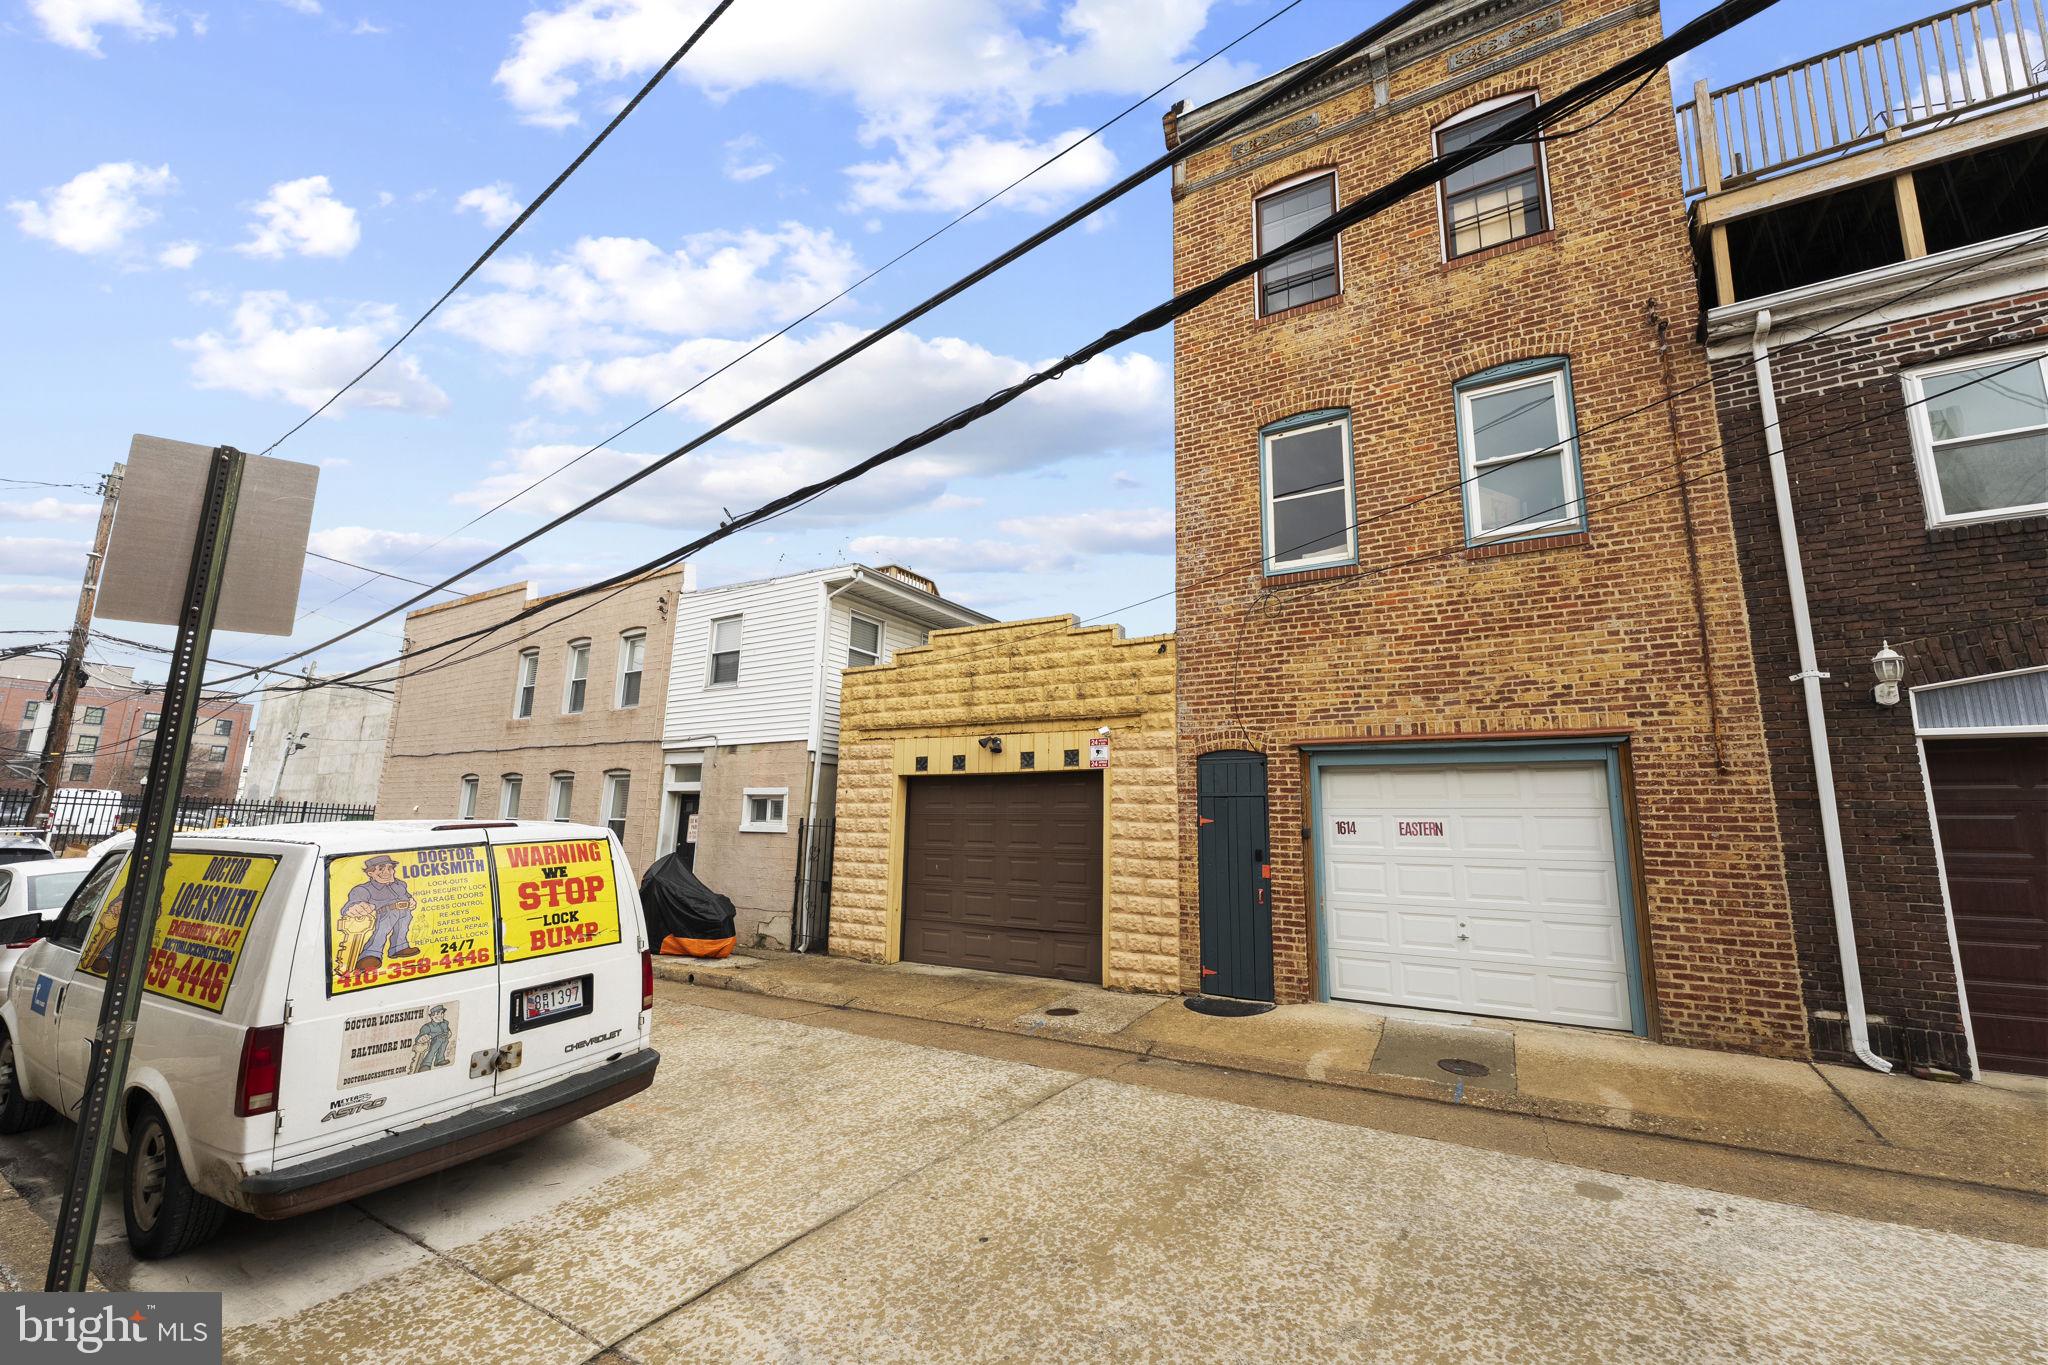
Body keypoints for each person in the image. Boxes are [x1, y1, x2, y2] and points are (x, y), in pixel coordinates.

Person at [341, 854, 419, 973]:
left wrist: (411, 901)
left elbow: (406, 895)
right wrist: (354, 908)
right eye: (381, 868)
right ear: (370, 873)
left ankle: (399, 947)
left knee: (402, 928)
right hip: (383, 915)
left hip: (404, 912)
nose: (386, 872)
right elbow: (351, 904)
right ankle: (370, 955)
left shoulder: (400, 884)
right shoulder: (363, 889)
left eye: (390, 868)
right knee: (381, 932)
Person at [409, 1004, 451, 1072]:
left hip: (444, 1040)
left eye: (442, 1013)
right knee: (435, 1046)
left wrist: (449, 1033)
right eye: (437, 1014)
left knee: (443, 1043)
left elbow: (447, 1030)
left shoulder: (444, 1023)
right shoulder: (428, 1026)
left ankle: (439, 1060)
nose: (440, 1016)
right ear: (432, 1016)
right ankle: (426, 1064)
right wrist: (422, 1038)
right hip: (432, 1042)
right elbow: (419, 1037)